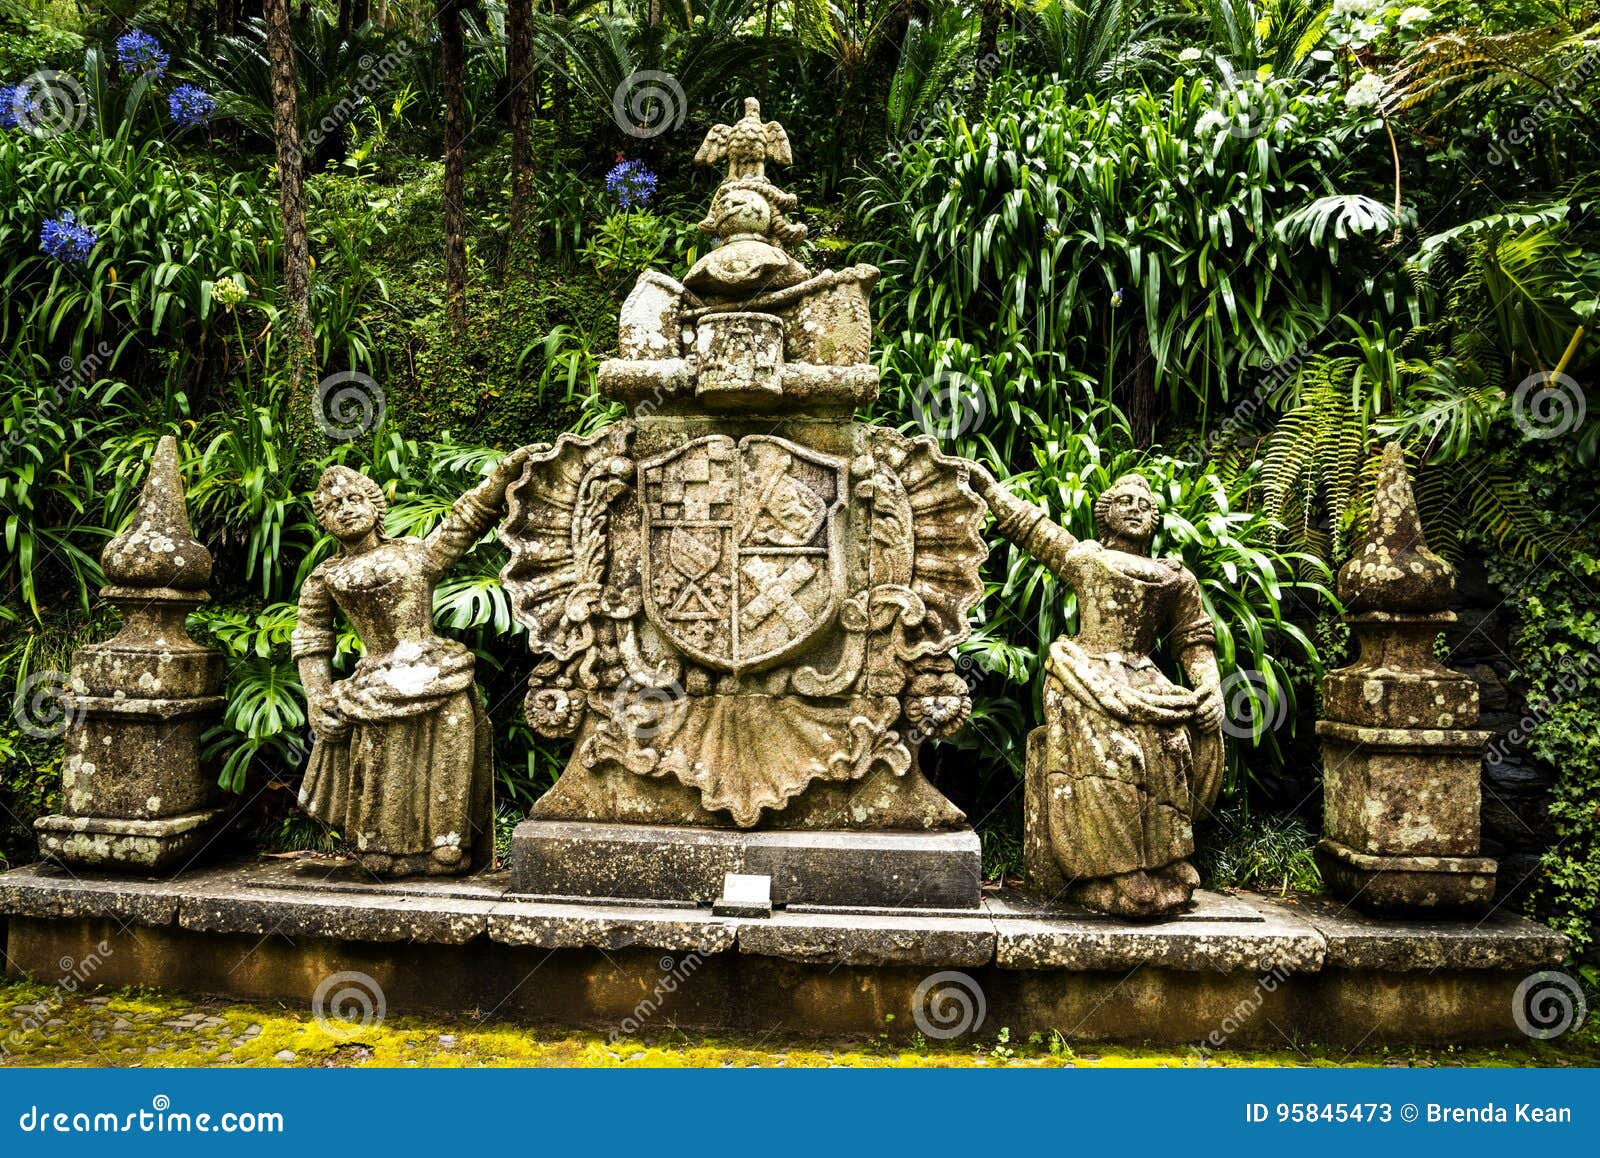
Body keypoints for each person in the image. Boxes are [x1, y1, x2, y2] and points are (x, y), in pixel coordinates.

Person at [969, 464, 1225, 917]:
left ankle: (1169, 860)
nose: (1135, 510)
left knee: (1172, 743)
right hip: (1086, 673)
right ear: (1105, 515)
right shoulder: (1090, 559)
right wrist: (989, 489)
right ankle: (1115, 868)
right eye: (1125, 503)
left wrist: (1209, 685)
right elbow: (1033, 528)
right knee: (1115, 749)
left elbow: (1194, 636)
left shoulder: (1174, 578)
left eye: (1145, 506)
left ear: (1155, 521)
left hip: (1144, 677)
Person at [291, 449, 529, 878]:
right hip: (377, 684)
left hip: (438, 673)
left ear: (374, 505)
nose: (344, 511)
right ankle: (382, 847)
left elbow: (466, 520)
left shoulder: (415, 554)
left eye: (353, 500)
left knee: (449, 761)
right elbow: (310, 638)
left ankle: (448, 846)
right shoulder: (325, 577)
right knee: (384, 762)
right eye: (331, 507)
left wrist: (503, 475)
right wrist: (317, 696)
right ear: (323, 522)